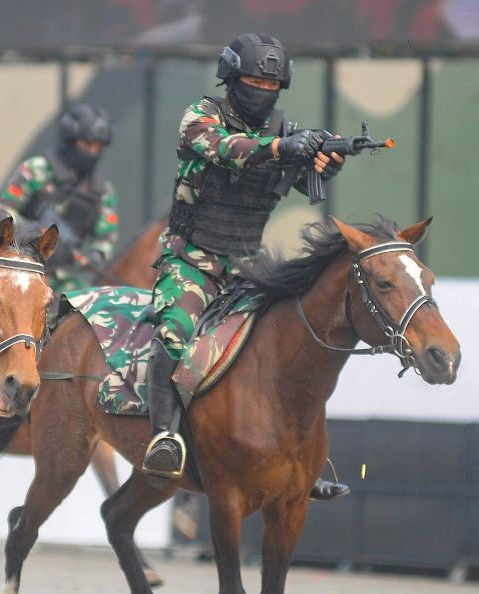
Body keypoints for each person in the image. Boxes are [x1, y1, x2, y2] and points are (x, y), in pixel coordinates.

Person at [141, 32, 350, 500]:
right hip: (192, 259)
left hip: (248, 264)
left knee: (289, 347)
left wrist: (322, 163)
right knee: (174, 334)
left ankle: (299, 457)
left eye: (271, 84)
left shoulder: (282, 130)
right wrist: (283, 149)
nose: (262, 90)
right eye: (253, 80)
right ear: (231, 79)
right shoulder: (200, 116)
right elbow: (227, 149)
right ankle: (164, 440)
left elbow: (300, 176)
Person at [0, 103, 119, 293]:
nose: (92, 152)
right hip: (20, 266)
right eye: (86, 145)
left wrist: (93, 258)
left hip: (65, 279)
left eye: (98, 147)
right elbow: (2, 213)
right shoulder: (36, 170)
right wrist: (33, 231)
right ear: (70, 141)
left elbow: (105, 240)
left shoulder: (102, 191)